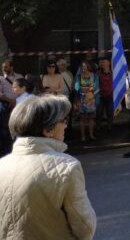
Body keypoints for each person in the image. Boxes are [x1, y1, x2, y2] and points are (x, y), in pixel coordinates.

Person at [0, 95, 96, 239]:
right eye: (63, 121)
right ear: (48, 130)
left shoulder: (2, 164)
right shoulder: (67, 167)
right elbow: (84, 227)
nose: (66, 125)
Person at [1, 60, 22, 156]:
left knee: (18, 127)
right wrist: (10, 101)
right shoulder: (1, 79)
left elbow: (24, 90)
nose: (4, 69)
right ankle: (7, 151)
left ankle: (18, 148)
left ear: (11, 67)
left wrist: (16, 101)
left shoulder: (19, 77)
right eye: (3, 67)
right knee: (5, 128)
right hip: (6, 105)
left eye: (6, 67)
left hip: (18, 103)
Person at [75, 62, 99, 142]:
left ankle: (91, 135)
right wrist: (87, 88)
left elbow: (96, 86)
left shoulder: (94, 76)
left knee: (91, 118)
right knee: (82, 118)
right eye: (82, 67)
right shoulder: (79, 76)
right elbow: (76, 87)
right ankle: (83, 136)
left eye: (85, 67)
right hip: (81, 99)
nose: (83, 68)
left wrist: (85, 88)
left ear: (89, 67)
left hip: (91, 99)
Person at [96, 57, 114, 134]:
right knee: (99, 113)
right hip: (101, 96)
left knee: (110, 112)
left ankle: (110, 128)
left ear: (109, 63)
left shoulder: (113, 73)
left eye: (104, 62)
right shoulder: (98, 73)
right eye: (102, 62)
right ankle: (98, 128)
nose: (103, 63)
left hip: (110, 95)